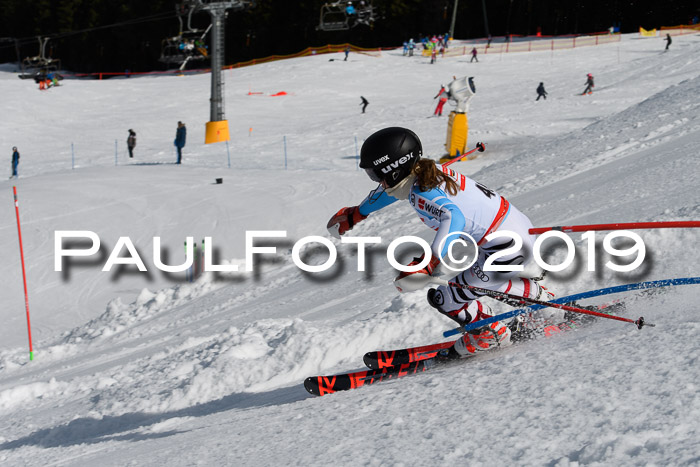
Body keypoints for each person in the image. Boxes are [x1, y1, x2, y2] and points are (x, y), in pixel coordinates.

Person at [327, 127, 550, 360]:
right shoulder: (427, 173)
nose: (376, 181)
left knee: (446, 298)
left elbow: (453, 216)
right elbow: (387, 193)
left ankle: (490, 334)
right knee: (476, 283)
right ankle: (544, 305)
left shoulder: (423, 191)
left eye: (375, 174)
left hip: (505, 248)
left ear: (393, 170)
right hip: (513, 234)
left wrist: (430, 261)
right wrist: (358, 213)